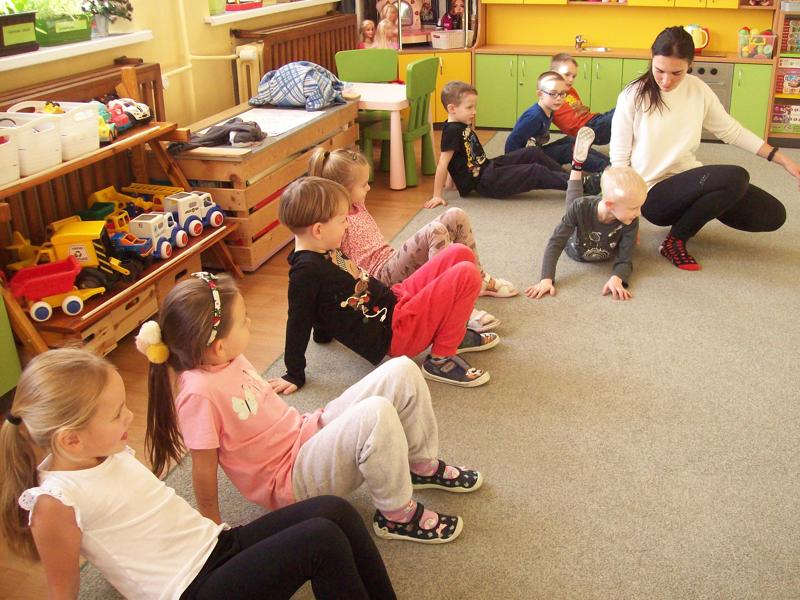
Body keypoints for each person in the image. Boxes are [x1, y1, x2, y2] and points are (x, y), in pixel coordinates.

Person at [0, 348, 397, 599]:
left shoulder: (104, 451)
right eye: (117, 413)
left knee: (333, 511)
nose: (130, 416)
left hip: (215, 547)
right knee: (320, 540)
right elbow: (62, 591)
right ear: (71, 440)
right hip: (189, 588)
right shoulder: (55, 502)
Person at [141, 272, 484, 545]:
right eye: (243, 320)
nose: (250, 322)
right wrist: (213, 527)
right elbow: (203, 468)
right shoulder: (198, 394)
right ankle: (397, 516)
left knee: (402, 370)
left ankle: (419, 466)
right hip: (290, 480)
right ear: (217, 347)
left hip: (305, 432)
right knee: (376, 413)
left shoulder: (226, 357)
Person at [275, 176, 499, 388]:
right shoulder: (305, 272)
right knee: (466, 274)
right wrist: (294, 373)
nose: (347, 226)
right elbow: (298, 319)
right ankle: (441, 359)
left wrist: (322, 334)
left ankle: (452, 333)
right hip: (395, 332)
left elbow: (324, 302)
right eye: (343, 221)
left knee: (459, 253)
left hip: (395, 299)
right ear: (318, 230)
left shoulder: (323, 248)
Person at [610, 26, 799, 270]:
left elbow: (732, 131)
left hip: (689, 180)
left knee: (773, 214)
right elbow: (619, 159)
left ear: (690, 64)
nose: (666, 80)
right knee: (735, 176)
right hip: (652, 195)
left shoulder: (697, 89)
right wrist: (625, 216)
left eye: (677, 73)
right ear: (651, 59)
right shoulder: (633, 95)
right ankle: (675, 241)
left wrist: (783, 160)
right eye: (660, 70)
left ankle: (695, 212)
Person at [309, 147, 517, 328]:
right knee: (435, 231)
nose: (369, 187)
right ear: (343, 191)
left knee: (456, 215)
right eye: (363, 185)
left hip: (392, 260)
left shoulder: (357, 204)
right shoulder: (337, 221)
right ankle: (452, 306)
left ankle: (479, 280)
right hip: (380, 278)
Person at [427, 81, 600, 208]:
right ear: (452, 109)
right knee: (535, 171)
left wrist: (451, 183)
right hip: (486, 182)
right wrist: (437, 195)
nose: (474, 112)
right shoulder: (451, 131)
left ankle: (573, 179)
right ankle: (582, 185)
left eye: (474, 107)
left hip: (487, 167)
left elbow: (458, 157)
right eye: (469, 108)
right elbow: (443, 163)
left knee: (533, 153)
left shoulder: (460, 123)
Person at [525, 127, 647, 302]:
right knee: (575, 205)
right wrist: (546, 279)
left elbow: (625, 257)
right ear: (610, 205)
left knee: (576, 206)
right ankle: (576, 166)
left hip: (596, 219)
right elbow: (556, 242)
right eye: (634, 208)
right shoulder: (582, 208)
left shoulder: (630, 219)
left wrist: (617, 278)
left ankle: (578, 165)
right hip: (575, 243)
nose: (639, 213)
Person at [505, 71, 610, 173]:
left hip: (536, 152)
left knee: (573, 140)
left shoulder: (549, 110)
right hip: (526, 162)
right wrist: (517, 169)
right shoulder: (534, 117)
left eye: (562, 94)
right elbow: (511, 143)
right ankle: (606, 169)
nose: (559, 98)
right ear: (540, 94)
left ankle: (610, 164)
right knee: (568, 150)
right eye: (553, 94)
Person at [550, 53, 615, 145]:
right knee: (624, 109)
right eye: (567, 74)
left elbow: (581, 111)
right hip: (588, 130)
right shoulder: (549, 97)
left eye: (573, 76)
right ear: (554, 74)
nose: (571, 79)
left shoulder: (571, 90)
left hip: (595, 120)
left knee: (624, 112)